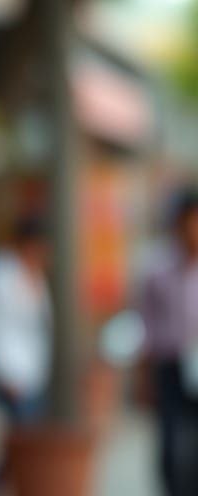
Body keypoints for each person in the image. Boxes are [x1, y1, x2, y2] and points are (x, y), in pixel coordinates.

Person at [0, 215, 51, 496]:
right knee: (12, 456)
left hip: (29, 379)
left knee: (18, 457)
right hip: (9, 382)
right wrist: (6, 377)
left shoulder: (32, 275)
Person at [139, 186, 198, 496]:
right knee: (172, 444)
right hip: (170, 365)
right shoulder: (158, 268)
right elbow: (146, 324)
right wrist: (144, 374)